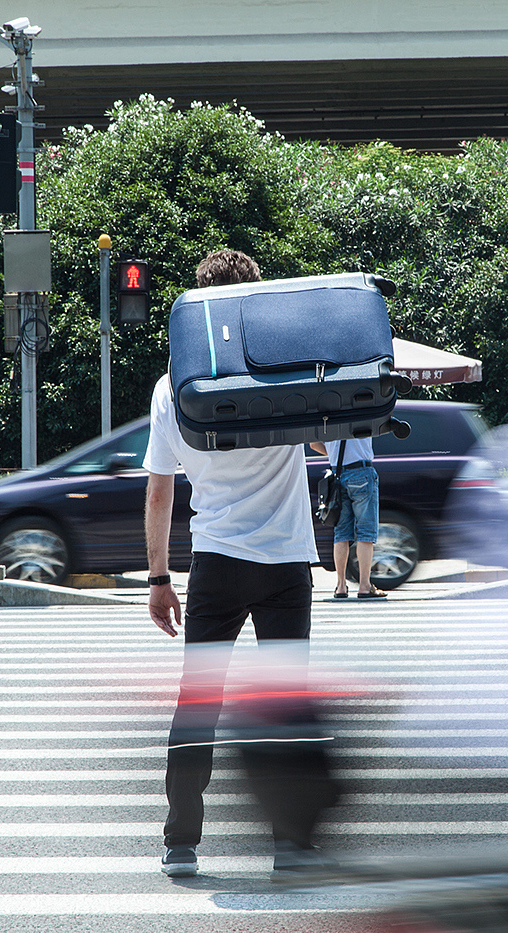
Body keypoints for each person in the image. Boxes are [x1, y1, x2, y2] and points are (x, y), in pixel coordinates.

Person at [144, 248, 326, 879]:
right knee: (286, 704)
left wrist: (160, 578)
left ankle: (181, 841)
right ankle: (291, 845)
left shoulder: (174, 386)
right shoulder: (284, 374)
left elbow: (161, 489)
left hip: (216, 563)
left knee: (200, 701)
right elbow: (325, 438)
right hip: (284, 564)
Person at [309, 437, 384, 598]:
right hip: (361, 472)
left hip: (337, 474)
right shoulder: (363, 412)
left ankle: (341, 585)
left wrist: (335, 454)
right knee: (365, 532)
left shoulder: (327, 416)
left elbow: (314, 444)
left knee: (341, 532)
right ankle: (364, 586)